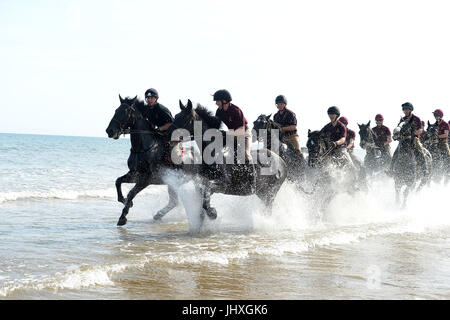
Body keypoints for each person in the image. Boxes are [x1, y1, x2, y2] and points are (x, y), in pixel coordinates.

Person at [213, 89, 255, 191]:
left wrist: (226, 133)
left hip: (244, 133)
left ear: (224, 101)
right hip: (231, 133)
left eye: (217, 101)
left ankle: (252, 181)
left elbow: (240, 131)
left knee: (245, 154)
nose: (216, 103)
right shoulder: (219, 111)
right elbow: (216, 125)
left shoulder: (236, 110)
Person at [389, 102, 428, 175]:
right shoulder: (402, 119)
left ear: (410, 110)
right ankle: (390, 170)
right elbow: (398, 129)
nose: (405, 111)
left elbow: (420, 130)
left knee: (420, 151)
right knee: (395, 153)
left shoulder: (416, 119)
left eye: (407, 109)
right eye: (404, 110)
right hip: (403, 140)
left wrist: (413, 133)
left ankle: (424, 169)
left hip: (414, 139)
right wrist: (396, 135)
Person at [272, 95, 306, 165]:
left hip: (292, 136)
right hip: (281, 137)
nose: (280, 105)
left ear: (284, 104)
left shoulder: (290, 113)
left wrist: (281, 128)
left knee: (298, 150)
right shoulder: (275, 116)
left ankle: (303, 165)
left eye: (281, 104)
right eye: (278, 104)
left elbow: (294, 127)